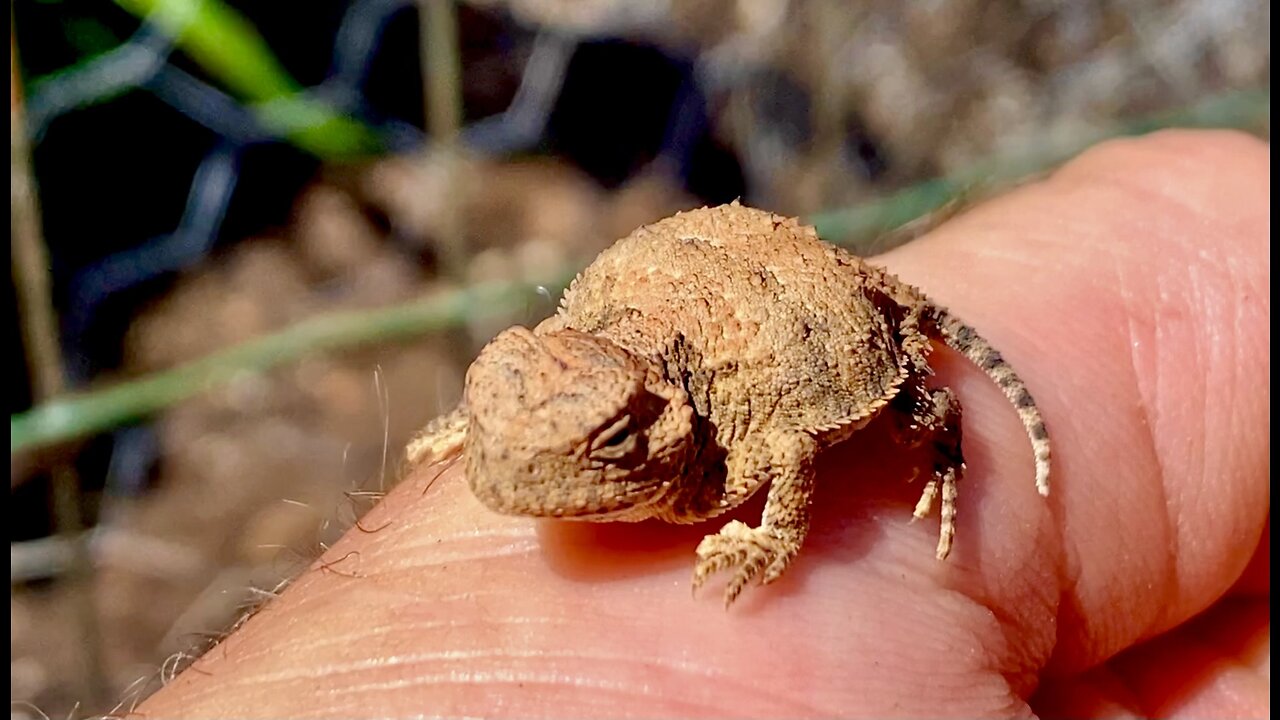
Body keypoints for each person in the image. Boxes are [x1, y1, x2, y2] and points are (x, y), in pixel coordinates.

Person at [137, 130, 1269, 718]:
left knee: (912, 396)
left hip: (794, 325)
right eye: (497, 438)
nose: (510, 481)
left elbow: (782, 449)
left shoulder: (715, 453)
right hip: (668, 290)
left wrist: (772, 537)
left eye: (589, 453)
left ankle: (948, 445)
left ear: (649, 436)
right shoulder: (571, 374)